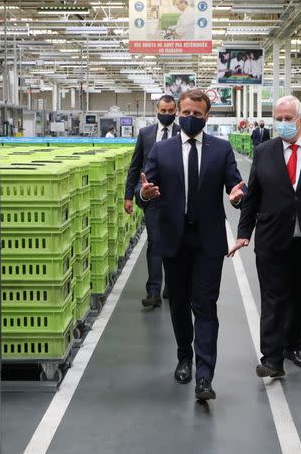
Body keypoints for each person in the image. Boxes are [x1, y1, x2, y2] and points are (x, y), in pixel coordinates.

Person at [137, 89, 247, 401]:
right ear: (178, 112)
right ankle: (184, 356)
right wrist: (144, 194)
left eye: (196, 114)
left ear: (206, 116)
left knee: (206, 306)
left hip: (209, 242)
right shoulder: (162, 150)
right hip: (173, 239)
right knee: (180, 304)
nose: (189, 118)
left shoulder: (221, 149)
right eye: (185, 113)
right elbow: (143, 186)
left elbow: (236, 184)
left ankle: (204, 376)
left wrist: (239, 196)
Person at [230, 96, 301, 378]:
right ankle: (272, 358)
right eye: (279, 118)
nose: (283, 123)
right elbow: (253, 196)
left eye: (289, 118)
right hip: (272, 237)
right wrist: (243, 232)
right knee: (273, 297)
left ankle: (293, 345)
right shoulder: (264, 151)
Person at [124, 95, 181, 308]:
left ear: (176, 111)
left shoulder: (182, 133)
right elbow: (134, 166)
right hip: (152, 198)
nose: (166, 114)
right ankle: (154, 291)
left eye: (170, 111)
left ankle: (171, 287)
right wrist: (129, 195)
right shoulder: (145, 134)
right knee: (155, 243)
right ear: (156, 110)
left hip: (177, 199)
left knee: (175, 243)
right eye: (163, 110)